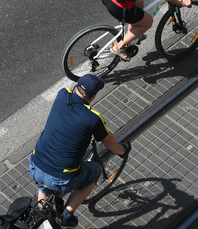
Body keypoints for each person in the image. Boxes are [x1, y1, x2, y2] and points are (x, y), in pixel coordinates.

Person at [29, 73, 128, 226]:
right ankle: (67, 214)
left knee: (45, 185)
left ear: (76, 84)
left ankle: (41, 215)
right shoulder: (93, 118)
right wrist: (121, 151)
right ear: (93, 97)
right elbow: (108, 139)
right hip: (60, 178)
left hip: (35, 165)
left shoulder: (62, 94)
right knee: (95, 171)